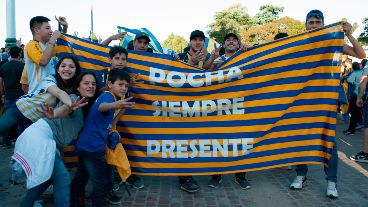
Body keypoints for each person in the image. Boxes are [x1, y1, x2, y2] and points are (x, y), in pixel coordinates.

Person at [290, 9, 366, 198]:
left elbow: (360, 53)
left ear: (323, 24)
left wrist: (349, 34)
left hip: (326, 98)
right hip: (302, 99)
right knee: (300, 138)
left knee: (328, 140)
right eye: (311, 22)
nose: (314, 25)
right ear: (306, 25)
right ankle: (301, 175)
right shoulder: (298, 44)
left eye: (318, 22)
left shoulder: (334, 42)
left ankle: (331, 181)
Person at [15, 72, 95, 207]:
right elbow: (66, 109)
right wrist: (55, 114)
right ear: (78, 87)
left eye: (93, 84)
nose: (90, 86)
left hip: (46, 140)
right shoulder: (73, 99)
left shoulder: (85, 105)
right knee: (63, 177)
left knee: (47, 179)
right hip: (39, 137)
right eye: (86, 83)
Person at [73, 69, 135, 206]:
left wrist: (121, 108)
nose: (124, 88)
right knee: (100, 181)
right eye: (120, 84)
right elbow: (102, 107)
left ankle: (74, 200)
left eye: (126, 85)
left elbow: (112, 123)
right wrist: (116, 104)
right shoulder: (108, 96)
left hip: (86, 144)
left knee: (82, 175)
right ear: (110, 84)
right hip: (93, 147)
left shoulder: (114, 99)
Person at [0, 55, 80, 146]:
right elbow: (59, 93)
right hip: (20, 109)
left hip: (34, 121)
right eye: (63, 66)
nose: (67, 69)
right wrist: (71, 104)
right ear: (57, 69)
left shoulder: (72, 90)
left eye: (71, 67)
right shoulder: (50, 79)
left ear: (76, 71)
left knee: (24, 148)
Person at [207, 32, 250, 189]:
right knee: (217, 140)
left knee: (240, 140)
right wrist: (212, 59)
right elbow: (206, 75)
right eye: (228, 40)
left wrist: (248, 51)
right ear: (223, 45)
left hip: (239, 106)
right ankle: (216, 176)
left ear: (239, 44)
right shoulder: (217, 60)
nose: (231, 42)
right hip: (219, 107)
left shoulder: (246, 56)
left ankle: (241, 176)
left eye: (234, 40)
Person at [23, 16, 68, 92]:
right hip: (38, 94)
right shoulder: (31, 45)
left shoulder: (48, 46)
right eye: (47, 28)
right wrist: (53, 39)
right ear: (36, 30)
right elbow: (43, 61)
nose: (51, 31)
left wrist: (65, 27)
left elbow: (61, 44)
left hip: (50, 93)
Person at [0, 46, 25, 147]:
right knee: (21, 119)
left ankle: (4, 140)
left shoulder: (4, 66)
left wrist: (2, 94)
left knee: (6, 118)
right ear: (19, 54)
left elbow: (0, 83)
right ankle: (20, 140)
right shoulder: (22, 66)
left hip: (8, 96)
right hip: (20, 96)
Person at [344, 62, 363, 135]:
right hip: (363, 94)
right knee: (358, 113)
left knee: (354, 113)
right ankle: (355, 127)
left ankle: (351, 130)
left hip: (355, 95)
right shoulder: (363, 72)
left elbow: (349, 80)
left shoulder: (354, 73)